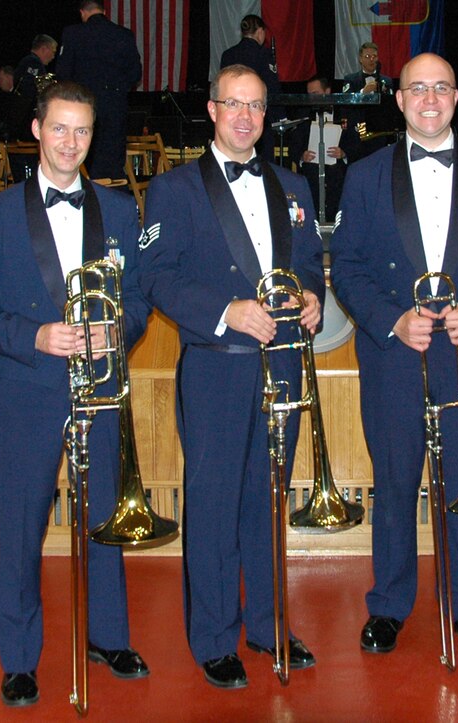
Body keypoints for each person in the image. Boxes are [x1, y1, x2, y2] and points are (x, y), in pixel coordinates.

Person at [0, 80, 151, 707]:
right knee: (19, 529)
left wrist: (117, 328)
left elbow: (142, 302)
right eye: (60, 128)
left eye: (83, 131)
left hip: (100, 392)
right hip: (29, 394)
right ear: (37, 130)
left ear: (95, 136)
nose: (71, 142)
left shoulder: (122, 211)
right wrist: (34, 335)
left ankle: (108, 636)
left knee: (106, 522)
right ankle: (18, 658)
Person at [331, 53, 458, 657]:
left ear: (457, 96)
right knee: (393, 482)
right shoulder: (364, 175)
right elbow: (346, 266)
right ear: (400, 99)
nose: (430, 99)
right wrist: (391, 320)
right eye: (418, 88)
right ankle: (389, 604)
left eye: (441, 87)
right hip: (395, 352)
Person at [138, 64, 324, 690]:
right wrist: (226, 312)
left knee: (268, 502)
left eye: (256, 106)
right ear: (212, 110)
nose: (244, 117)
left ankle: (269, 625)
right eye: (233, 104)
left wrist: (315, 299)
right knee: (214, 507)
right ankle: (214, 637)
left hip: (283, 365)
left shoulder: (293, 185)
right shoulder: (173, 189)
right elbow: (157, 278)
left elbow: (311, 267)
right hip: (217, 369)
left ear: (266, 116)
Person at [57, 1, 142, 179]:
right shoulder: (124, 35)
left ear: (82, 12)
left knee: (84, 157)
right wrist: (117, 90)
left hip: (84, 106)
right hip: (115, 107)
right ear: (104, 11)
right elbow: (135, 73)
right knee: (113, 161)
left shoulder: (73, 33)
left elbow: (63, 73)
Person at [288, 75, 351, 222]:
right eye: (309, 95)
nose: (311, 98)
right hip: (311, 172)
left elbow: (355, 143)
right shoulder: (303, 115)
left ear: (327, 91)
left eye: (315, 94)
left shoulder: (344, 113)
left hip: (338, 174)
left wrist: (343, 153)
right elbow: (294, 145)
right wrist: (302, 157)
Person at [220, 14, 282, 162]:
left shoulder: (227, 55)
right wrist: (280, 118)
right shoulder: (264, 54)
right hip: (257, 114)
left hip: (231, 113)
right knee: (263, 162)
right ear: (260, 32)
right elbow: (272, 88)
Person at [341, 42, 399, 162]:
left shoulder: (386, 81)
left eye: (374, 56)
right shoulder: (351, 80)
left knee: (380, 162)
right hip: (359, 129)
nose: (371, 59)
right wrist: (363, 93)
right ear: (360, 59)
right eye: (367, 56)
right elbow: (345, 103)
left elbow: (391, 105)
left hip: (380, 129)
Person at [14, 35, 58, 103]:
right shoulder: (34, 62)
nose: (53, 57)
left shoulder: (28, 60)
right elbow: (28, 88)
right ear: (44, 49)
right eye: (53, 52)